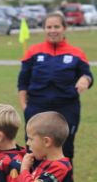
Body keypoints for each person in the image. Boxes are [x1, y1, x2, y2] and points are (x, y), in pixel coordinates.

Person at [17, 11, 93, 161]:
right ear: (44, 29)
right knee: (34, 149)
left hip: (67, 108)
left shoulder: (76, 53)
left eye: (56, 26)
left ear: (64, 28)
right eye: (49, 27)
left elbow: (88, 75)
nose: (52, 30)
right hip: (37, 107)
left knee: (65, 148)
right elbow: (22, 82)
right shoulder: (33, 51)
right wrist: (25, 107)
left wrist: (85, 79)